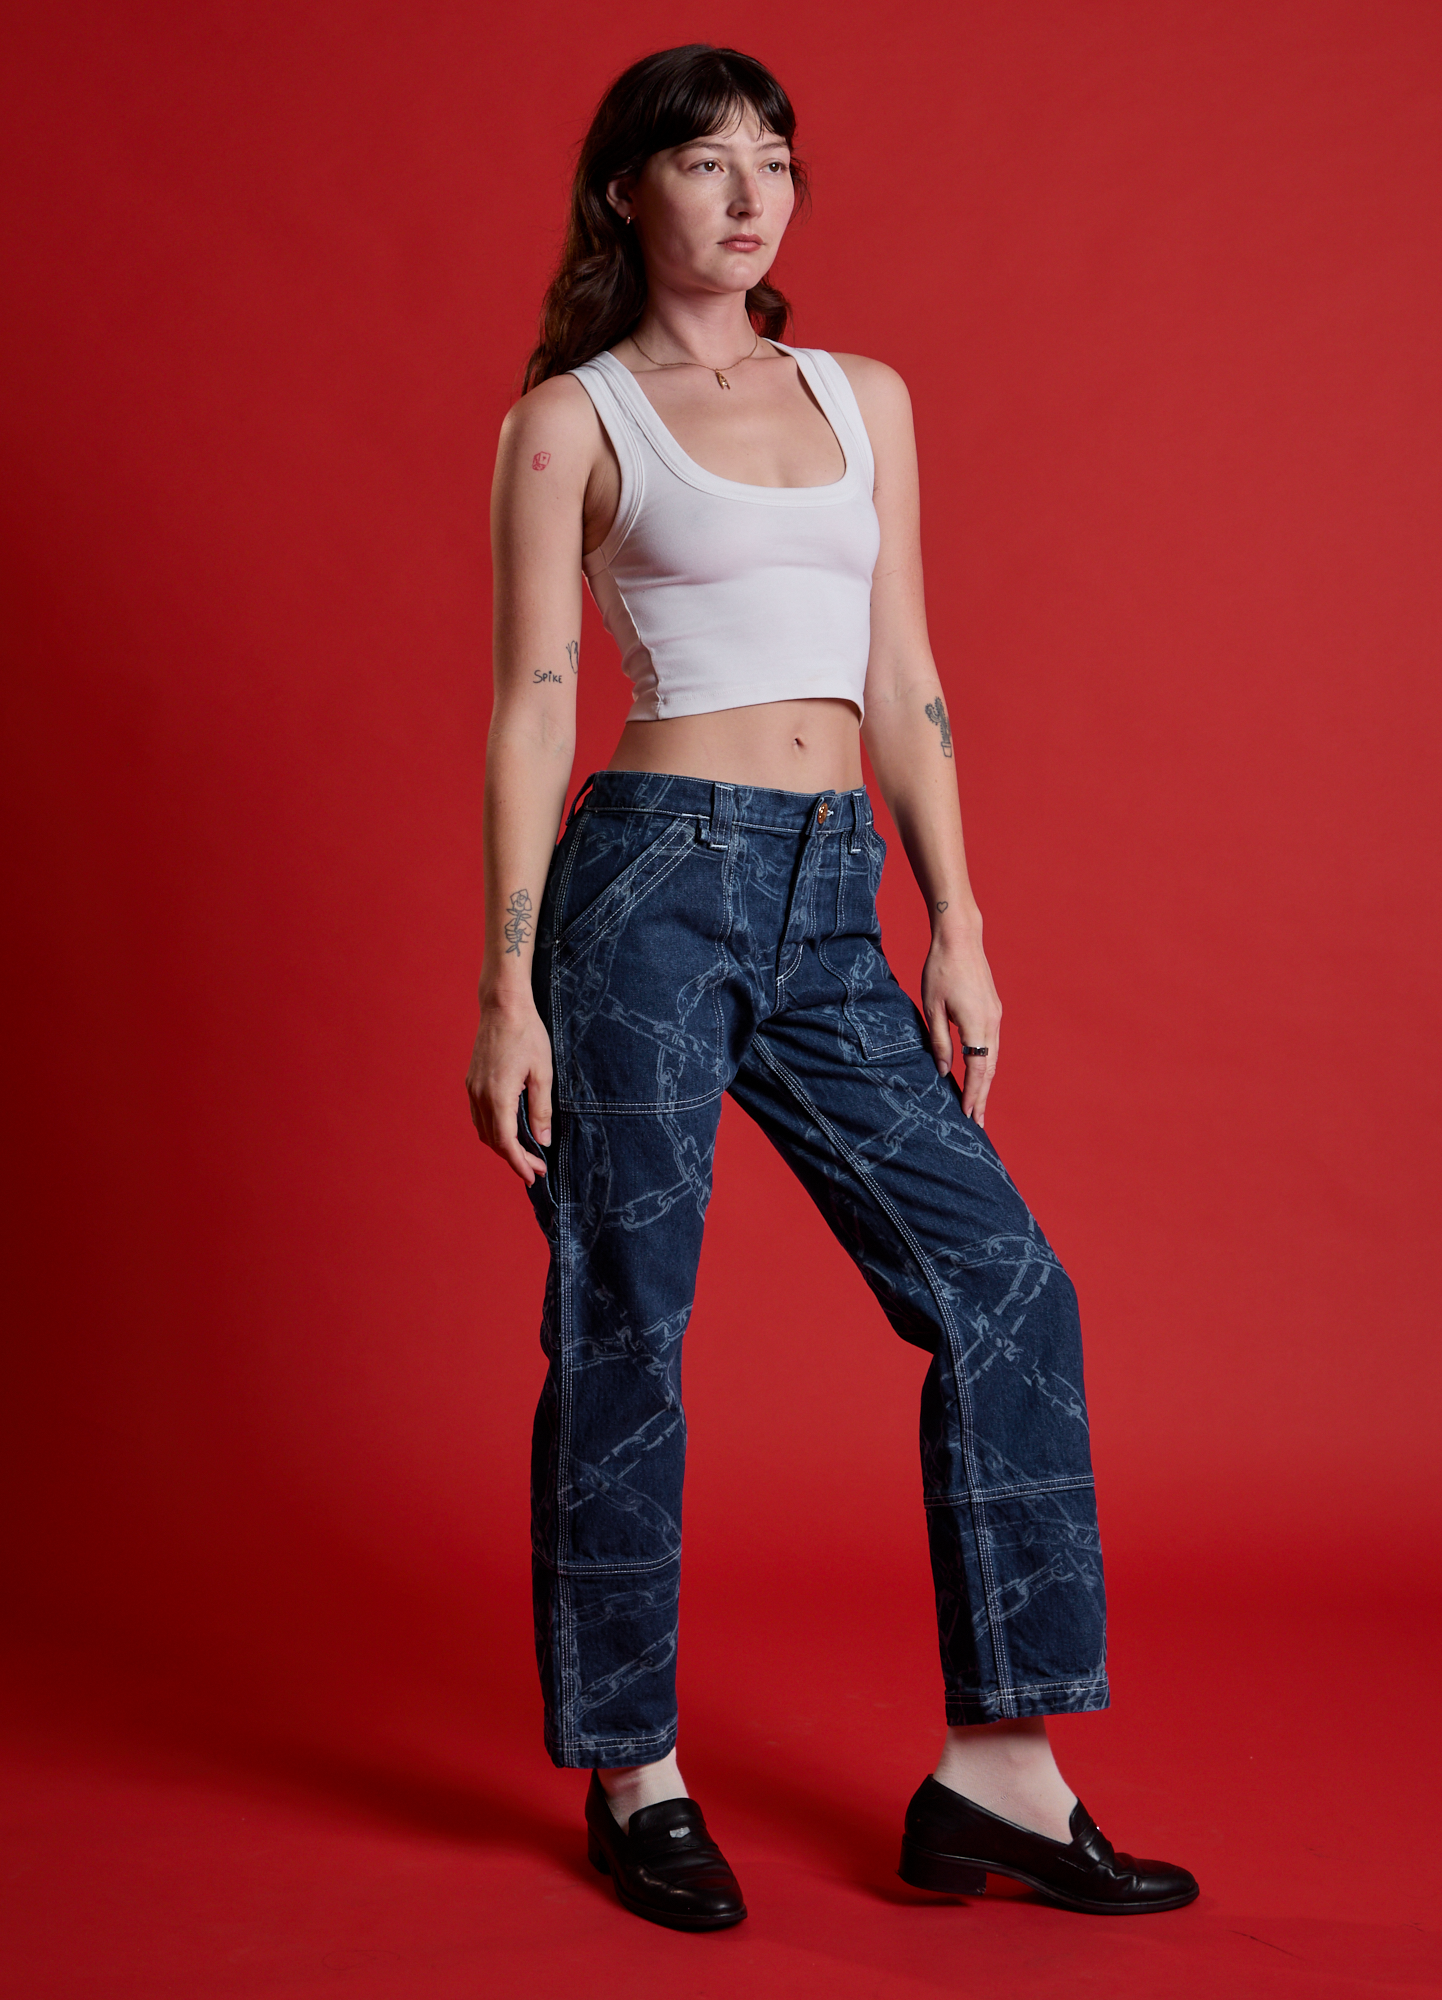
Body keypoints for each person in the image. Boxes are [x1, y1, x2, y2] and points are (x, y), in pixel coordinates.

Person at [465, 43, 1197, 1932]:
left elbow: (906, 670)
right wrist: (504, 986)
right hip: (645, 890)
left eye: (772, 163)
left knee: (1005, 1291)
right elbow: (535, 698)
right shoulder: (574, 415)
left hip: (831, 896)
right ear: (626, 189)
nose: (746, 195)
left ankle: (1000, 1773)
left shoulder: (864, 395)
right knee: (626, 1320)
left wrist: (955, 917)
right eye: (703, 163)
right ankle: (636, 1768)